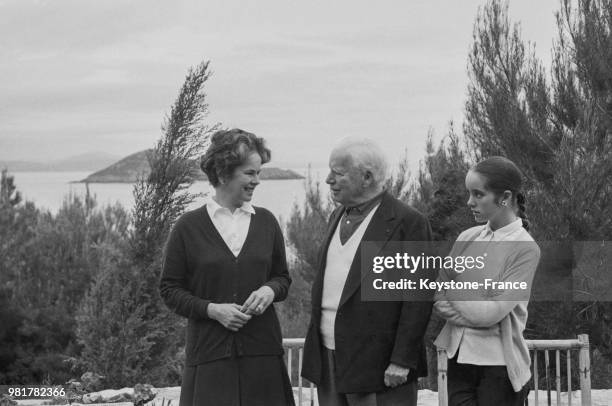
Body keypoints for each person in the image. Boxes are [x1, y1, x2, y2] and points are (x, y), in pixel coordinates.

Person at [159, 129, 295, 406]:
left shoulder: (267, 222)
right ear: (223, 174)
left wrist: (270, 290)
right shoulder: (188, 227)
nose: (256, 181)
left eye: (258, 173)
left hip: (263, 356)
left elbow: (282, 278)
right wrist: (212, 310)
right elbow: (169, 289)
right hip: (210, 358)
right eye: (249, 173)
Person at [301, 137, 433, 406]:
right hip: (328, 359)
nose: (328, 180)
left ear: (367, 177)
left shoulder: (409, 222)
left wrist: (401, 360)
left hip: (381, 368)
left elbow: (418, 298)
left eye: (337, 173)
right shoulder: (336, 216)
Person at [434, 156, 541, 406]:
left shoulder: (525, 249)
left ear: (504, 197)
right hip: (458, 360)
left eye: (478, 194)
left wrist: (453, 288)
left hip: (500, 368)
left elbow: (489, 314)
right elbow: (437, 296)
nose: (469, 202)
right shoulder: (467, 237)